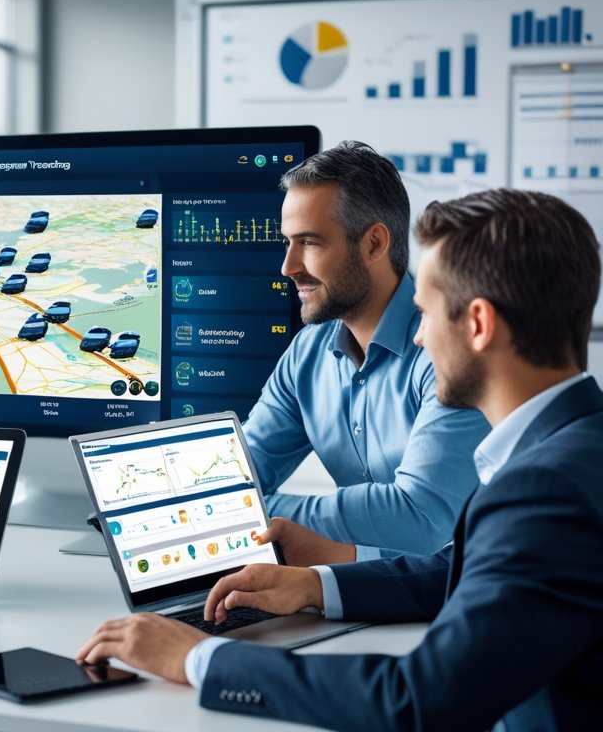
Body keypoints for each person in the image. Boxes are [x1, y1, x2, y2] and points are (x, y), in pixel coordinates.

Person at [78, 188, 603, 730]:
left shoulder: (544, 489)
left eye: (424, 312)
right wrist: (317, 585)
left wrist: (197, 658)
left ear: (477, 324)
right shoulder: (575, 448)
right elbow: (466, 571)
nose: (418, 335)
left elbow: (416, 699)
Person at [242, 140, 490, 563]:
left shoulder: (447, 351)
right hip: (360, 594)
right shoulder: (308, 353)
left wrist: (262, 513)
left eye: (310, 243)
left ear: (374, 244)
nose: (288, 266)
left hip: (456, 598)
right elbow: (235, 478)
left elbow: (421, 519)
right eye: (287, 242)